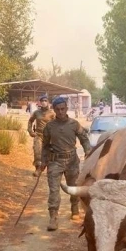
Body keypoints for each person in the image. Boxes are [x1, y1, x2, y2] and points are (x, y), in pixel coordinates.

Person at [38, 96, 91, 231]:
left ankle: (74, 208)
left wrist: (88, 152)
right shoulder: (49, 126)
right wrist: (43, 162)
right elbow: (44, 145)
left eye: (63, 109)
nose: (60, 112)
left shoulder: (74, 124)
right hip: (55, 161)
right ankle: (53, 217)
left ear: (66, 108)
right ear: (54, 110)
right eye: (58, 109)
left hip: (72, 161)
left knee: (73, 187)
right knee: (54, 190)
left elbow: (84, 139)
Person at [27, 95, 55, 176]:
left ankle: (49, 170)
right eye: (42, 101)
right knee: (37, 151)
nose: (44, 102)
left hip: (49, 136)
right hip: (38, 135)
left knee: (49, 153)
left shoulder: (52, 113)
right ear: (40, 102)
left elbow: (57, 124)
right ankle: (38, 169)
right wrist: (30, 131)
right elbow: (30, 121)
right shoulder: (36, 112)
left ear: (48, 102)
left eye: (45, 101)